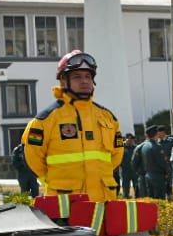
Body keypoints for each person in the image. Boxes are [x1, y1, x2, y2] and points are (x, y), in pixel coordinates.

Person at [23, 49, 123, 203]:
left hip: (103, 200)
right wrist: (52, 181)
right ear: (63, 81)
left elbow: (116, 156)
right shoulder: (45, 120)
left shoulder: (108, 117)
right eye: (77, 77)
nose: (84, 81)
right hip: (65, 202)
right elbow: (33, 157)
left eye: (88, 76)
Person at [138, 125, 172, 199]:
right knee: (160, 199)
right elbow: (162, 163)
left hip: (148, 176)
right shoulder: (157, 147)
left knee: (151, 199)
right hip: (158, 177)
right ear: (156, 134)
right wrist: (167, 171)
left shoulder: (144, 146)